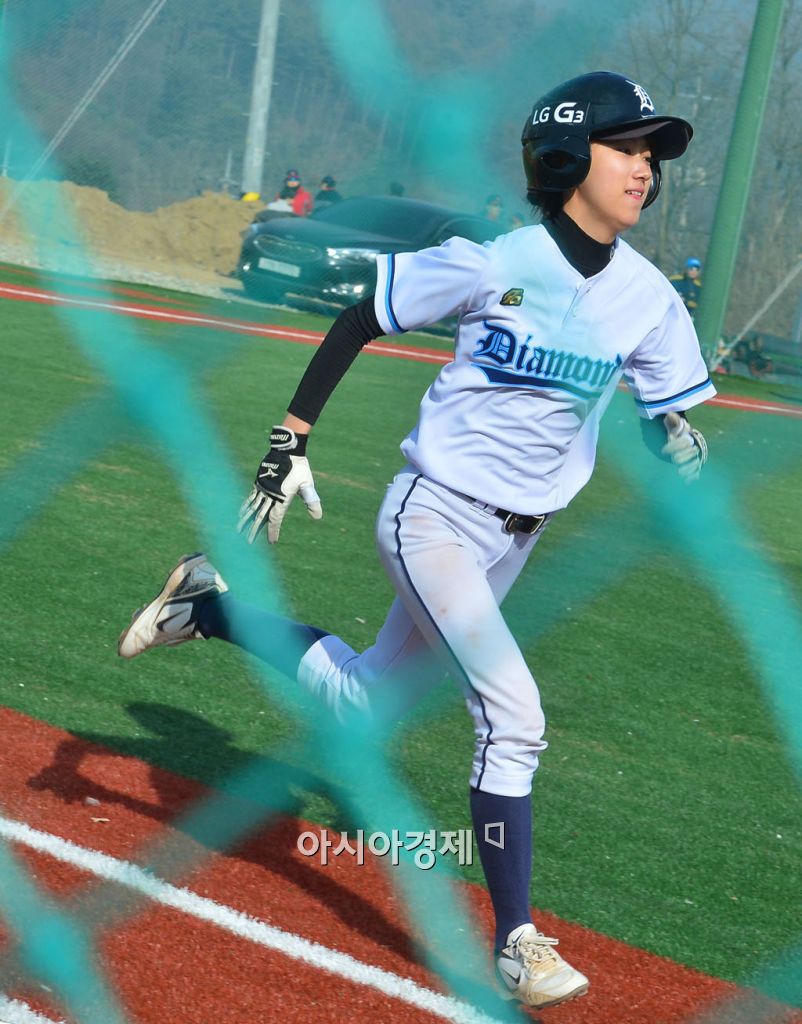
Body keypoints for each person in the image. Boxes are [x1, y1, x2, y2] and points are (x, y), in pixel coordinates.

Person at [118, 71, 715, 1011]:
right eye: (627, 147)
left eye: (652, 153)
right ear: (567, 156)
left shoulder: (649, 297)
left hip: (518, 539)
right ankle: (516, 942)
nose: (646, 167)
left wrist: (671, 435)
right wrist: (290, 440)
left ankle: (209, 607)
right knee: (513, 716)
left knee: (364, 702)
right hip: (433, 514)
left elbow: (655, 405)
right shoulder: (495, 260)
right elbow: (362, 317)